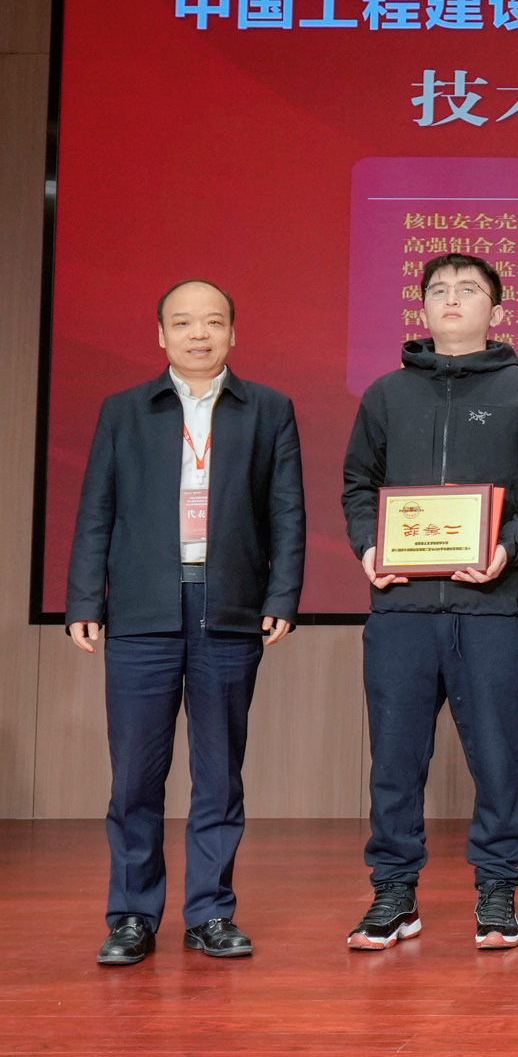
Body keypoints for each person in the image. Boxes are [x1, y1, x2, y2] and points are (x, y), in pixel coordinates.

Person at [67, 279, 304, 967]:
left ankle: (210, 913)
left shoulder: (268, 409)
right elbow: (96, 509)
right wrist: (85, 600)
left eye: (213, 322)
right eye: (183, 322)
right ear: (161, 335)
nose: (199, 334)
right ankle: (132, 915)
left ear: (233, 333)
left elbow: (287, 512)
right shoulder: (124, 410)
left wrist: (281, 596)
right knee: (135, 779)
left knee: (219, 775)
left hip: (227, 607)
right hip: (142, 609)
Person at [340, 253, 518, 951]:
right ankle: (394, 892)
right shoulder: (386, 394)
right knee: (393, 760)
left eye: (468, 290)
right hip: (401, 609)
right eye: (438, 289)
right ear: (423, 307)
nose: (451, 299)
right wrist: (368, 548)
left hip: (489, 606)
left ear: (495, 309)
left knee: (497, 757)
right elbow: (358, 485)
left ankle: (497, 888)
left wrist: (510, 548)